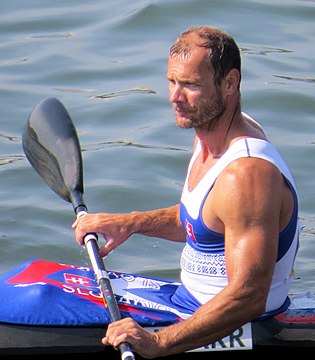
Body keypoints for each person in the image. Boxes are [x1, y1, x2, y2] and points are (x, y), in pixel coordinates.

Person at [72, 26, 301, 358]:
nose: (175, 98)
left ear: (230, 83)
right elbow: (203, 222)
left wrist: (160, 342)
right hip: (187, 301)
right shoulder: (208, 129)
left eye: (191, 85)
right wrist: (130, 222)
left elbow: (250, 295)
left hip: (236, 322)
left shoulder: (247, 174)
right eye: (172, 81)